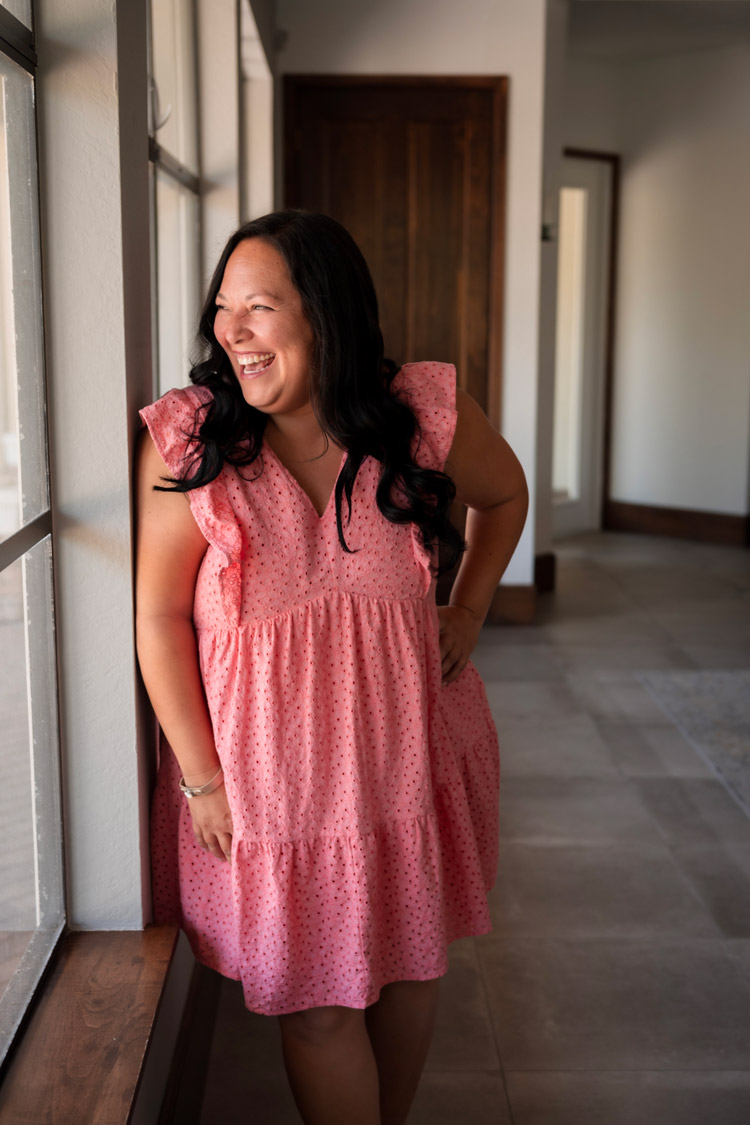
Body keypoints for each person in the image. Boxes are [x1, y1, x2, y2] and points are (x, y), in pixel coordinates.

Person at [135, 209, 528, 1125]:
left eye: (259, 307)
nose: (231, 330)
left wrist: (467, 607)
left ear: (326, 316)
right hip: (273, 788)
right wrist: (201, 779)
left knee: (409, 965)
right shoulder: (195, 444)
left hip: (407, 760)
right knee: (315, 1006)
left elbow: (503, 497)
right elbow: (157, 615)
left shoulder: (419, 416)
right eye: (224, 308)